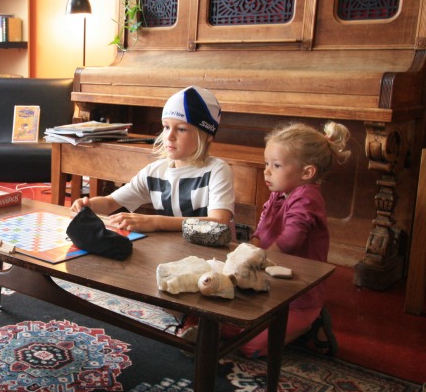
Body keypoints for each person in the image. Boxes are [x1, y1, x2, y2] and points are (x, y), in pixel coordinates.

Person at [222, 121, 351, 357]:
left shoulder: (307, 197)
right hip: (272, 289)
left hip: (299, 298)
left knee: (248, 346)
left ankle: (313, 324)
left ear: (307, 172)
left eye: (276, 165)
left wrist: (259, 259)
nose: (267, 171)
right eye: (266, 164)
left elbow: (292, 237)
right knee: (222, 325)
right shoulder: (280, 192)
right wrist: (247, 251)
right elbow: (261, 229)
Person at [70, 85, 235, 232]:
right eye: (166, 127)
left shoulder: (216, 170)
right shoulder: (155, 172)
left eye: (182, 129)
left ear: (207, 136)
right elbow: (110, 202)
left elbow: (219, 222)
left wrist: (156, 222)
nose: (169, 136)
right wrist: (89, 205)